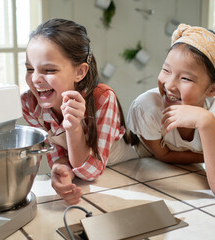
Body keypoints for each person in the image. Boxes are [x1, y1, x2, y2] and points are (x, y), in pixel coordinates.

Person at [21, 18, 139, 205]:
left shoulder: (103, 99)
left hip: (130, 171)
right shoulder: (29, 104)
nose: (35, 79)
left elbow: (91, 172)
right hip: (92, 180)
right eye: (29, 69)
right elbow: (57, 155)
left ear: (80, 72)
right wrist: (61, 169)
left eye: (49, 70)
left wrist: (74, 128)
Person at [127, 23, 215, 200]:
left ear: (212, 90)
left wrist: (206, 122)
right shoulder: (148, 108)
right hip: (138, 176)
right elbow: (163, 155)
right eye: (166, 70)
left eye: (186, 78)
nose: (169, 85)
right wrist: (212, 156)